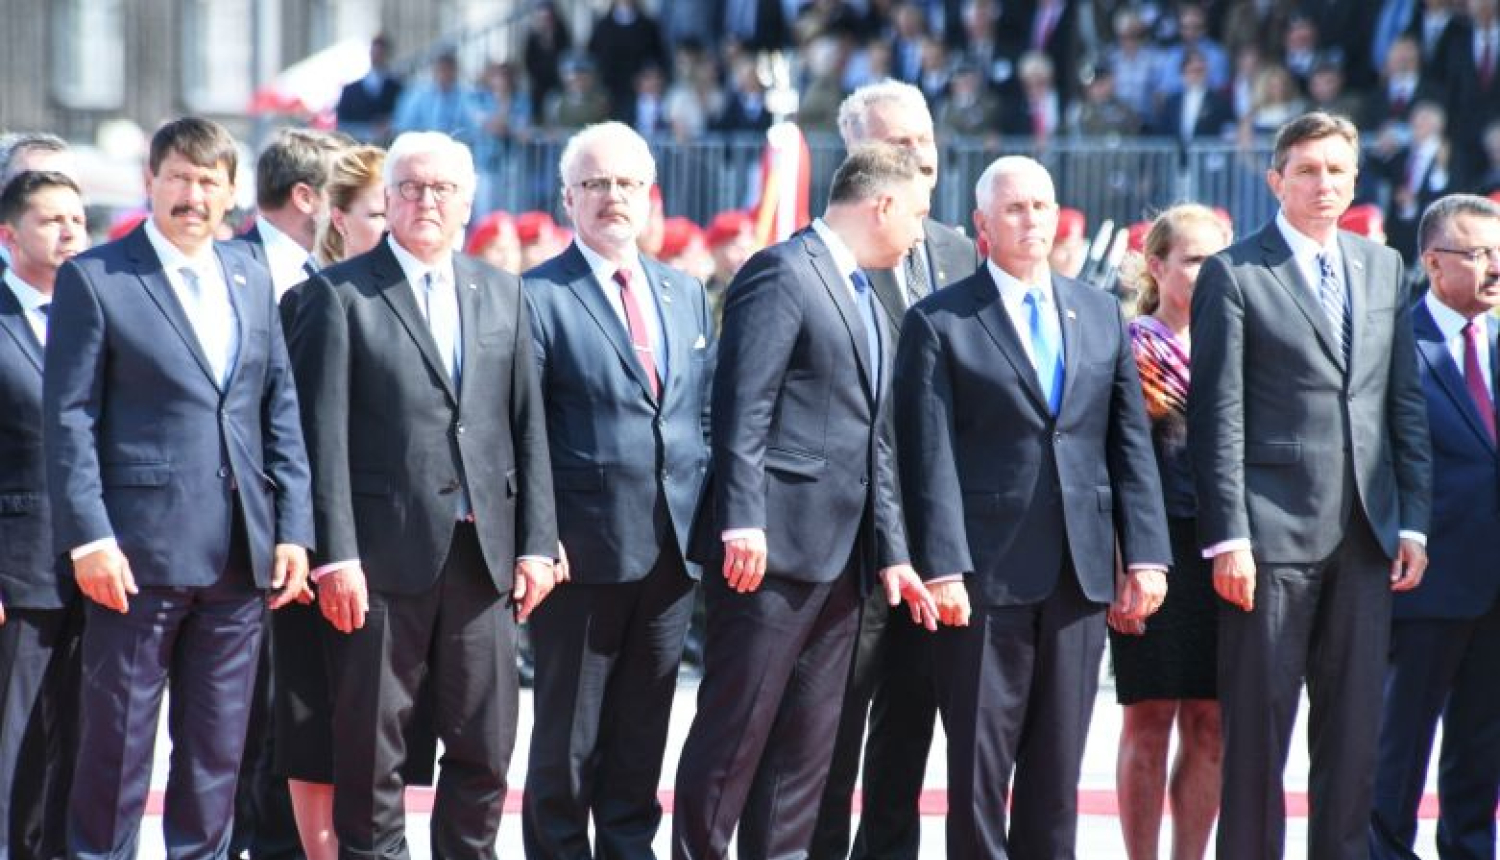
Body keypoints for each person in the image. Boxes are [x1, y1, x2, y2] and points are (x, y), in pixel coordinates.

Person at [44, 116, 314, 859]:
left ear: (232, 193)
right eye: (180, 178)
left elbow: (277, 410)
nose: (193, 195)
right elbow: (68, 420)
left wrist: (293, 530)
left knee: (216, 757)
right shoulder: (97, 277)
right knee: (117, 754)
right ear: (151, 183)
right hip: (134, 558)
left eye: (209, 181)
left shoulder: (249, 276)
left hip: (239, 557)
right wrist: (90, 538)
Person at [287, 131, 558, 859]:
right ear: (386, 198)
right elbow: (323, 439)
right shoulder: (337, 296)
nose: (425, 200)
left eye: (442, 189)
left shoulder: (502, 292)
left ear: (468, 202)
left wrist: (536, 541)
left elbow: (525, 426)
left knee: (486, 749)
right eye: (410, 187)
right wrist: (334, 555)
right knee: (372, 754)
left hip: (482, 558)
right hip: (378, 563)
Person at [892, 154, 1171, 860]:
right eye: (1014, 209)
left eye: (1042, 206)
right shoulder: (940, 320)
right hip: (984, 576)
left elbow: (1127, 443)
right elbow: (928, 456)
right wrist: (943, 566)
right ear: (983, 225)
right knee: (980, 771)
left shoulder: (1099, 310)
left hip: (1079, 575)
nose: (1031, 220)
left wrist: (1145, 555)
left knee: (1058, 771)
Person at [673, 143, 936, 860]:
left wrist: (895, 555)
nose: (920, 231)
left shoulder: (866, 293)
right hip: (770, 552)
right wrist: (743, 519)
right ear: (880, 204)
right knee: (736, 732)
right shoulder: (783, 272)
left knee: (806, 750)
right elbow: (741, 408)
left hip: (844, 563)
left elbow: (874, 443)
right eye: (916, 212)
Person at [1187, 111, 1432, 860]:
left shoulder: (1382, 267)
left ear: (1354, 179)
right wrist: (1228, 537)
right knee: (1259, 737)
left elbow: (1402, 403)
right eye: (1308, 170)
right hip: (1268, 538)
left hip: (1366, 533)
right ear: (1276, 181)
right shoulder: (1235, 272)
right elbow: (1216, 416)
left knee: (1354, 737)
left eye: (1336, 170)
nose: (1324, 183)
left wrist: (1413, 522)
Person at [521, 121, 715, 860]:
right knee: (567, 747)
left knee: (641, 743)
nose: (613, 197)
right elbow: (525, 426)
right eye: (596, 184)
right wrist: (540, 536)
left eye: (627, 183)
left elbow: (698, 414)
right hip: (580, 557)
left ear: (649, 194)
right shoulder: (536, 296)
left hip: (671, 554)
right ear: (568, 197)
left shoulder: (685, 294)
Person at [811, 78, 978, 860]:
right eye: (897, 142)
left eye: (924, 139)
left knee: (910, 725)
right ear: (858, 157)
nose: (918, 154)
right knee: (831, 729)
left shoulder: (957, 251)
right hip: (848, 533)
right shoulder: (825, 255)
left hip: (936, 532)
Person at [1370, 193, 1500, 860]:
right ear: (1433, 261)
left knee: (1481, 747)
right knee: (1400, 744)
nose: (1495, 268)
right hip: (1423, 583)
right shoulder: (1396, 342)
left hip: (1495, 587)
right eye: (1479, 253)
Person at [1108, 204, 1230, 860]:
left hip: (1224, 549)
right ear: (1156, 266)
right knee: (1149, 716)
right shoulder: (1125, 344)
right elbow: (1111, 460)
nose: (1208, 272)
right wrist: (1124, 558)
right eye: (1193, 258)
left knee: (1211, 723)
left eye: (1217, 258)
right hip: (1153, 550)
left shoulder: (1237, 342)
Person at [0, 170, 87, 860]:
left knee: (83, 746)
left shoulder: (98, 311)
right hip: (18, 567)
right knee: (13, 745)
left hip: (100, 566)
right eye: (50, 220)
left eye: (77, 221)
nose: (67, 233)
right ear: (9, 235)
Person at [239, 128, 346, 299]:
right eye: (341, 192)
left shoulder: (331, 267)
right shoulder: (227, 268)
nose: (349, 206)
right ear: (305, 198)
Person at [336, 35, 403, 144]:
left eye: (381, 53)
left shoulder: (398, 88)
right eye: (374, 53)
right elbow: (342, 124)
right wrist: (370, 129)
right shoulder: (350, 90)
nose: (377, 57)